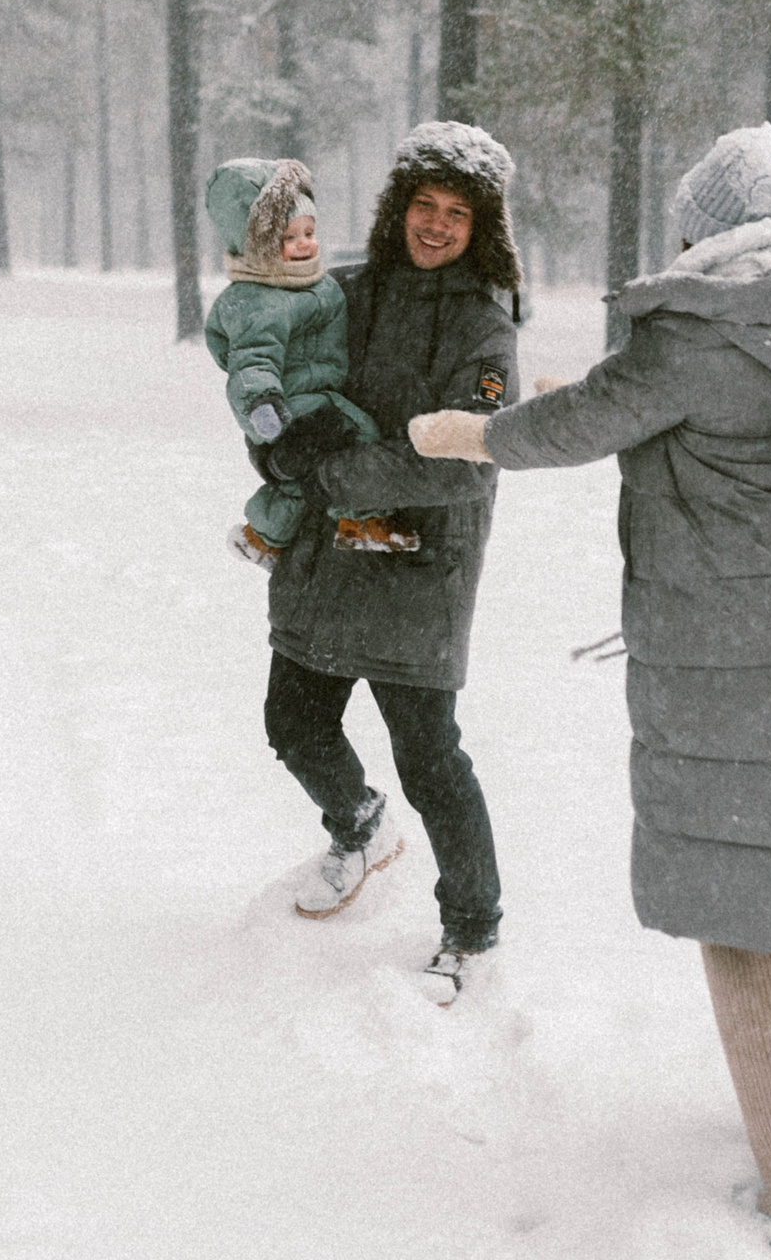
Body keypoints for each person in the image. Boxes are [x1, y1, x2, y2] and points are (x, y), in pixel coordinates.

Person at [410, 123, 771, 1254]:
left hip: (745, 641)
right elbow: (674, 405)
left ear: (713, 232)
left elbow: (587, 423)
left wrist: (469, 432)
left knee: (740, 910)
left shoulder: (697, 333)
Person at [250, 121, 522, 1002]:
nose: (435, 226)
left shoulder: (484, 327)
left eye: (457, 213)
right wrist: (277, 447)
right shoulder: (343, 293)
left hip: (415, 564)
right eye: (423, 205)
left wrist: (333, 473)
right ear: (396, 208)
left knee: (429, 757)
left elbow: (463, 455)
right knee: (293, 721)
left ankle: (472, 928)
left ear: (481, 229)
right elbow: (289, 387)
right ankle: (359, 826)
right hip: (327, 558)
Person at [202, 157, 416, 569]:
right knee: (361, 437)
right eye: (290, 237)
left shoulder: (312, 284)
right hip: (290, 409)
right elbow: (251, 362)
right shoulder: (259, 301)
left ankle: (260, 537)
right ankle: (359, 521)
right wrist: (263, 407)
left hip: (318, 397)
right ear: (260, 248)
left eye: (310, 232)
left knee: (300, 486)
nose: (305, 244)